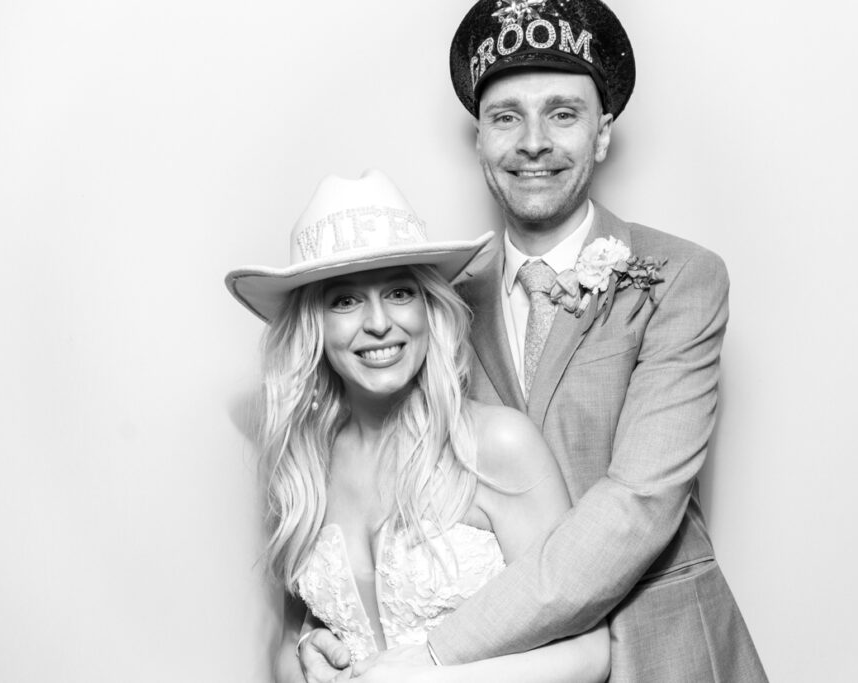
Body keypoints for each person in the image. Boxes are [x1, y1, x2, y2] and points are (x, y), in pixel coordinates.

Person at [303, 1, 768, 681]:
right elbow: (384, 492)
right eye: (506, 118)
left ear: (602, 134)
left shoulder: (681, 278)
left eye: (562, 113)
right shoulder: (437, 304)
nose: (532, 143)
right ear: (481, 141)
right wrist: (322, 635)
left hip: (664, 650)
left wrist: (437, 652)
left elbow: (640, 501)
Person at [225, 169, 611, 683]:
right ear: (313, 325)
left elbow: (587, 655)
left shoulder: (497, 445)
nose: (379, 322)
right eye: (345, 300)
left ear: (431, 309)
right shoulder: (301, 465)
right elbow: (289, 645)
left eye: (400, 293)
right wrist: (306, 657)